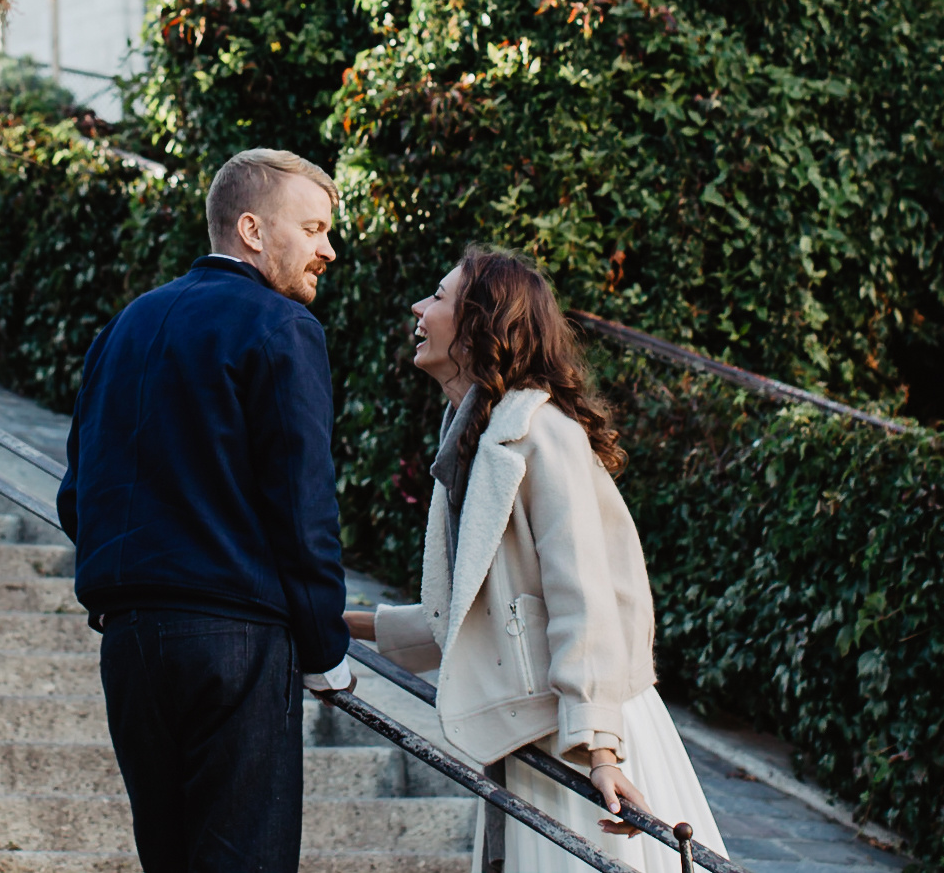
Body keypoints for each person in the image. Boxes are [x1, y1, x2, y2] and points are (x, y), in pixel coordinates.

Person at [344, 246, 726, 873]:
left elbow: (586, 599)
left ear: (480, 323)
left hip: (583, 730)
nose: (418, 308)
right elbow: (480, 622)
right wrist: (344, 624)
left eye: (438, 297)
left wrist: (602, 755)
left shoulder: (542, 433)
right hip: (539, 728)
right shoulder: (473, 435)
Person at [57, 147, 356, 873]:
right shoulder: (280, 325)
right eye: (313, 228)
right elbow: (303, 506)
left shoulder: (124, 327)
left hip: (131, 643)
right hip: (236, 641)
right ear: (252, 229)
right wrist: (324, 651)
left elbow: (76, 494)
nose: (328, 250)